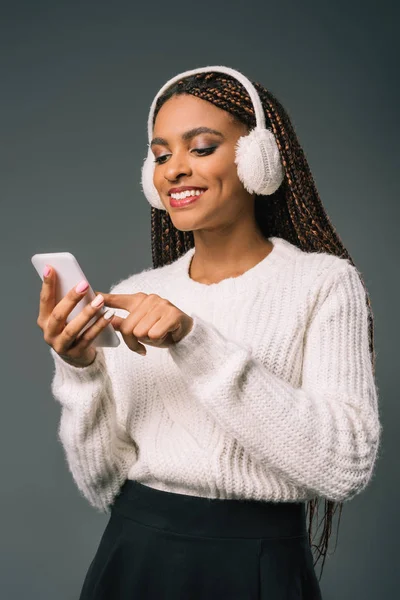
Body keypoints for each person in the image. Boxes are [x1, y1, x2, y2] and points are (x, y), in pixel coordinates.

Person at [37, 66, 382, 599]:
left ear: (258, 159)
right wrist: (80, 372)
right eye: (160, 154)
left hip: (256, 565)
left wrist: (193, 341)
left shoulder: (325, 284)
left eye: (200, 148)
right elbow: (103, 484)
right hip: (133, 558)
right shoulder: (138, 292)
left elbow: (344, 467)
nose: (175, 169)